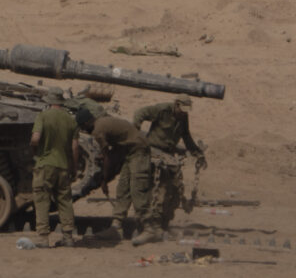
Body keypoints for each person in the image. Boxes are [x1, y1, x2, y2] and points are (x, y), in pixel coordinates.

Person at [76, 108, 161, 246]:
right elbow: (115, 148)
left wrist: (104, 180)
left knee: (137, 189)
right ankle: (116, 227)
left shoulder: (98, 130)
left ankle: (149, 228)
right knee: (123, 188)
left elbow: (107, 158)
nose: (84, 130)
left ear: (86, 123)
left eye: (82, 127)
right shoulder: (101, 122)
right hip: (128, 151)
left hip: (138, 150)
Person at [133, 96, 206, 230]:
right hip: (153, 152)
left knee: (173, 191)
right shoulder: (162, 110)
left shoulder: (183, 116)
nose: (184, 113)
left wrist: (197, 153)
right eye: (182, 109)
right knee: (156, 190)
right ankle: (148, 223)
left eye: (187, 110)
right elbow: (140, 113)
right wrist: (136, 134)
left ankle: (164, 223)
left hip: (169, 155)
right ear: (176, 105)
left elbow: (186, 136)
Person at [30, 88, 79, 248]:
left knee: (42, 199)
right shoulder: (71, 120)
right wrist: (74, 167)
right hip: (64, 166)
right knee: (65, 200)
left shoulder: (43, 116)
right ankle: (68, 237)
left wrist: (34, 150)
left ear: (49, 101)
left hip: (45, 164)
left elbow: (35, 138)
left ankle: (43, 238)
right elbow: (75, 147)